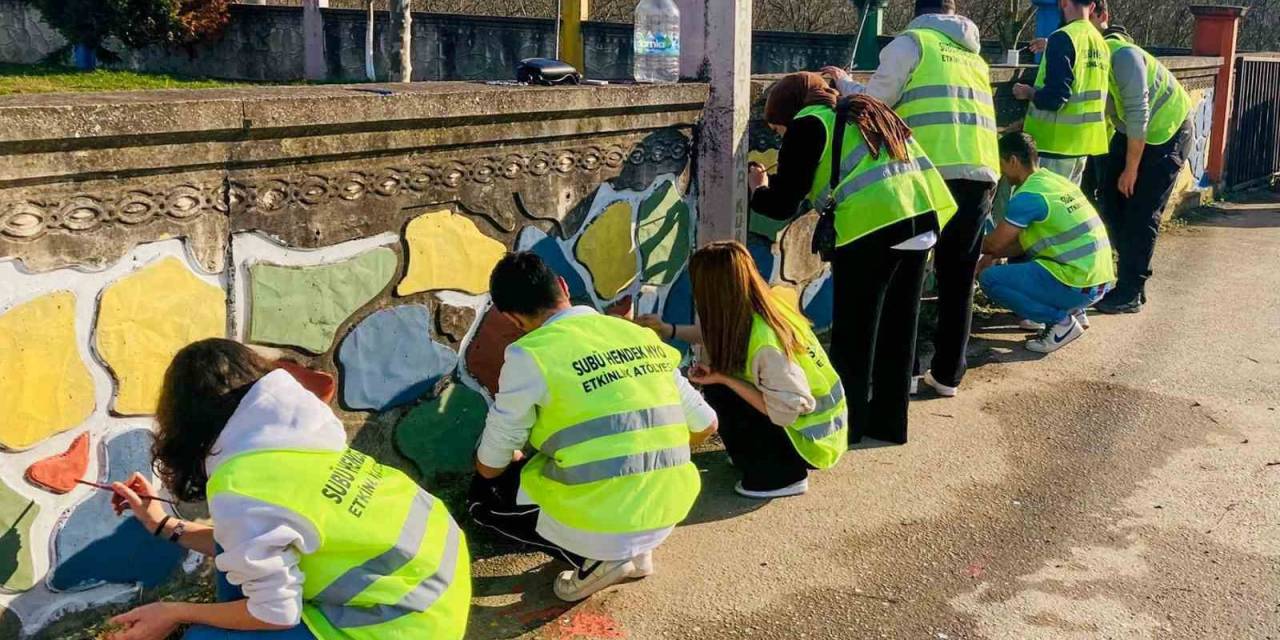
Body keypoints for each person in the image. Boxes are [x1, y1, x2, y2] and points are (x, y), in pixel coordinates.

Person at [107, 339, 470, 640]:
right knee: (234, 561)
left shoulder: (240, 484)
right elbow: (257, 540)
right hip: (436, 589)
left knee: (204, 638)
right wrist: (162, 525)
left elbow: (276, 613)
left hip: (405, 626)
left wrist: (175, 613)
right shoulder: (301, 438)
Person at [469, 252, 717, 602]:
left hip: (609, 518)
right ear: (563, 286)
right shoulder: (636, 334)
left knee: (482, 499)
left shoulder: (529, 354)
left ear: (511, 318)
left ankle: (597, 558)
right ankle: (635, 551)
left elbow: (491, 463)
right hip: (669, 506)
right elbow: (707, 424)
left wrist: (491, 469)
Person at [750, 73, 956, 444]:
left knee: (855, 336)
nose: (781, 135)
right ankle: (891, 425)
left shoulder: (808, 123)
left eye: (778, 127)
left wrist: (759, 190)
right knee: (898, 331)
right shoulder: (864, 113)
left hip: (871, 228)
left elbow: (784, 203)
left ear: (790, 109)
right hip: (920, 219)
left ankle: (850, 427)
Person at [826, 0, 999, 398]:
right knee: (958, 276)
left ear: (918, 11)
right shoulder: (974, 58)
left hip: (928, 174)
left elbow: (875, 103)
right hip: (981, 173)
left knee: (906, 276)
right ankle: (947, 375)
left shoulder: (911, 43)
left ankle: (892, 377)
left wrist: (843, 82)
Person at [638, 241, 846, 499]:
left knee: (721, 386)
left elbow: (788, 409)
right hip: (811, 428)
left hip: (811, 441)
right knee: (720, 384)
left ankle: (781, 476)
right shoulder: (763, 305)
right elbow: (719, 332)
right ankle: (757, 457)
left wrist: (725, 378)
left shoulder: (766, 342)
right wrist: (668, 329)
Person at [1089, 0, 1194, 314]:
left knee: (1141, 210)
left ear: (1101, 16)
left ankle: (1131, 290)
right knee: (1109, 198)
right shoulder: (1092, 56)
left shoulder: (1123, 56)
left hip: (1167, 132)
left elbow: (1138, 114)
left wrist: (1131, 169)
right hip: (1134, 131)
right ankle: (1123, 277)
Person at [978, 133, 1115, 353]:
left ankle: (1061, 322)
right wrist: (993, 254)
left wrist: (959, 242)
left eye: (1001, 164)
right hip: (1099, 279)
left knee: (990, 280)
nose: (1001, 172)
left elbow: (994, 244)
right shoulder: (1054, 182)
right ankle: (1073, 310)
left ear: (1013, 160)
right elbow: (1020, 244)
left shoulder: (1027, 197)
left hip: (1076, 282)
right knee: (1019, 266)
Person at [1014, 0, 1110, 184]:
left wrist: (1028, 92)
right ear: (1091, 7)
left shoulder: (1062, 37)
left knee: (1045, 207)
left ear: (1064, 2)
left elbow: (1055, 98)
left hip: (1053, 144)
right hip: (1082, 144)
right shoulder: (1100, 42)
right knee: (1065, 207)